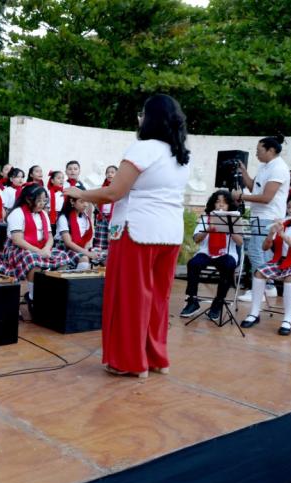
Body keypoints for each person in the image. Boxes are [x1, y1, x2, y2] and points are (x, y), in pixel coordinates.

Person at [65, 94, 190, 378]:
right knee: (158, 298)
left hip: (137, 231)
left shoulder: (143, 148)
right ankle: (156, 358)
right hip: (169, 233)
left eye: (142, 113)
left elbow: (113, 192)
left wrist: (80, 193)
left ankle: (130, 362)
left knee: (129, 298)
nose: (140, 118)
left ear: (150, 117)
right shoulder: (181, 154)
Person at [232, 135, 290, 302]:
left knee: (255, 252)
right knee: (263, 255)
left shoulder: (278, 168)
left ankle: (262, 288)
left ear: (271, 150)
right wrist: (243, 172)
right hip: (260, 215)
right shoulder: (265, 166)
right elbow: (254, 188)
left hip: (268, 216)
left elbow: (266, 198)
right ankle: (268, 287)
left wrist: (241, 196)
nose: (256, 154)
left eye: (259, 151)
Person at [240, 189, 291, 335]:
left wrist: (285, 237)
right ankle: (254, 313)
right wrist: (271, 233)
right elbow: (265, 247)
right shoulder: (285, 224)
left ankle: (288, 319)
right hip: (280, 261)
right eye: (289, 207)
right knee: (259, 272)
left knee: (290, 277)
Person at [0, 184, 69, 306]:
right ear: (28, 199)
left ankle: (52, 296)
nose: (43, 204)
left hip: (41, 247)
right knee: (33, 260)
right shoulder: (17, 213)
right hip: (18, 249)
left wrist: (46, 248)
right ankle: (32, 298)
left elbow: (50, 237)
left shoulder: (43, 214)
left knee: (62, 257)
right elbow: (17, 240)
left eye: (45, 200)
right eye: (39, 200)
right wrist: (39, 251)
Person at [179, 190, 243, 320]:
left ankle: (218, 303)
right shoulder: (206, 219)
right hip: (206, 252)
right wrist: (208, 229)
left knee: (229, 265)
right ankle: (192, 300)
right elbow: (196, 239)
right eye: (218, 202)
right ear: (213, 204)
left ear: (229, 206)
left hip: (227, 253)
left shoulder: (234, 220)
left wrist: (229, 228)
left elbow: (240, 242)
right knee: (193, 264)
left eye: (224, 203)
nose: (220, 206)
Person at [56, 194, 106, 269]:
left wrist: (86, 251)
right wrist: (87, 253)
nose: (85, 205)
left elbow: (87, 238)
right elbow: (68, 243)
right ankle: (80, 280)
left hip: (82, 248)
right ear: (72, 201)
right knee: (84, 259)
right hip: (66, 249)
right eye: (82, 202)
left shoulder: (85, 217)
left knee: (106, 257)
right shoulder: (64, 218)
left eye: (86, 201)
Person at [93, 165, 118, 250]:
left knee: (112, 241)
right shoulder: (103, 188)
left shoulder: (119, 189)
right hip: (102, 217)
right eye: (107, 172)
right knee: (100, 242)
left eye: (112, 172)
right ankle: (99, 260)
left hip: (114, 219)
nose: (109, 174)